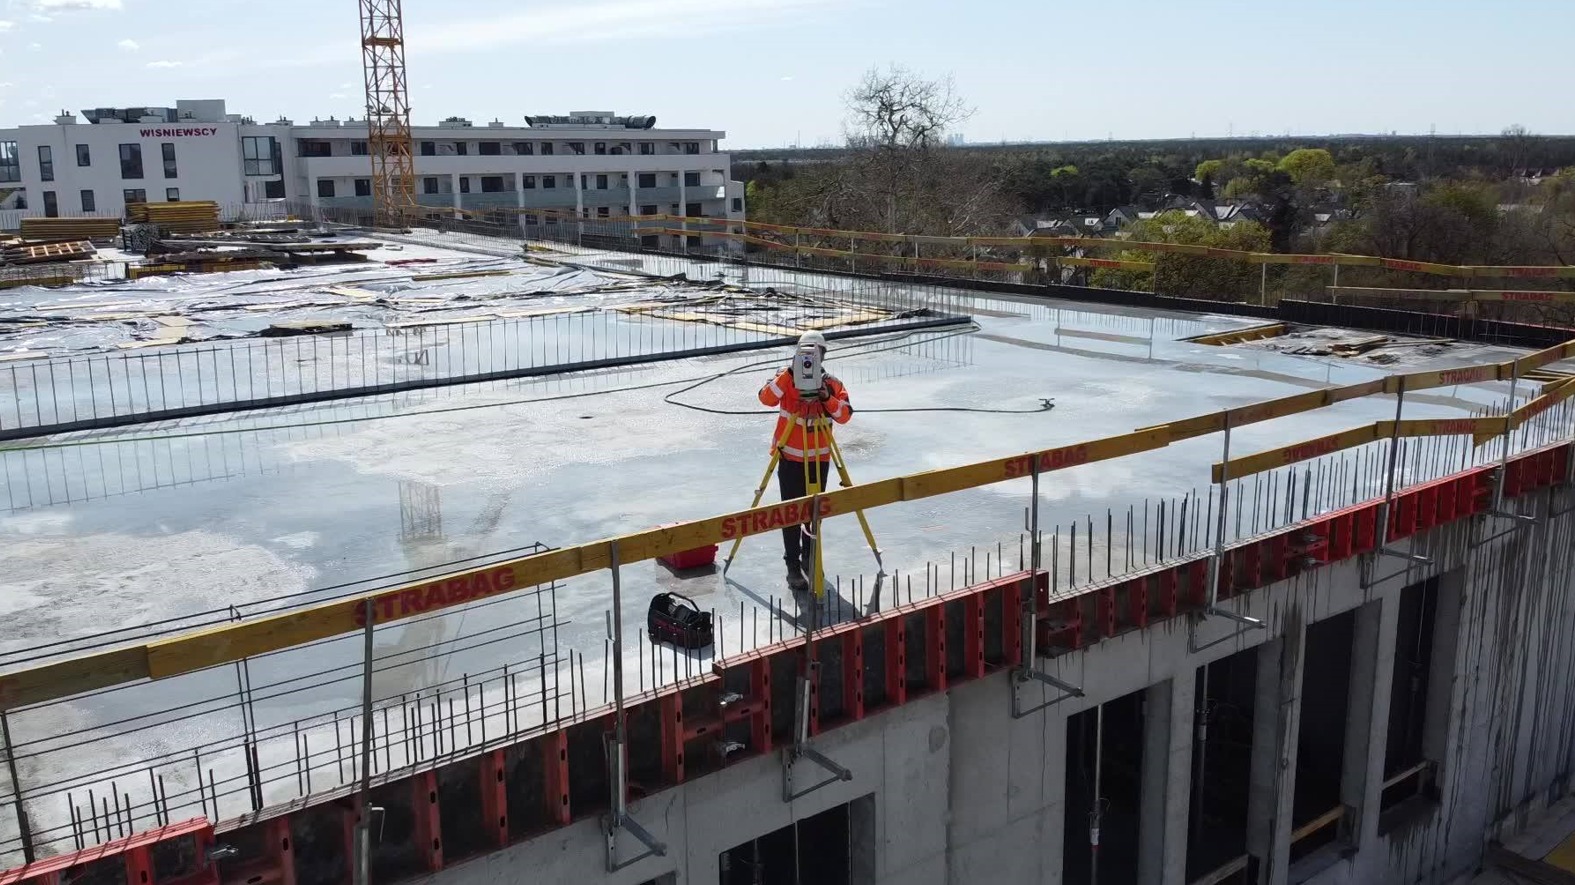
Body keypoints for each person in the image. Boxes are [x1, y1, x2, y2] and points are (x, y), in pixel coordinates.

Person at [757, 331, 853, 592]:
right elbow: (766, 398)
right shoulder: (785, 378)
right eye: (806, 354)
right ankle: (792, 565)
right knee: (790, 514)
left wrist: (825, 397)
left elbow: (845, 415)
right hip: (789, 458)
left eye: (816, 354)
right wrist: (790, 372)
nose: (811, 359)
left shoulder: (831, 384)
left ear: (823, 355)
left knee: (813, 513)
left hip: (819, 458)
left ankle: (811, 556)